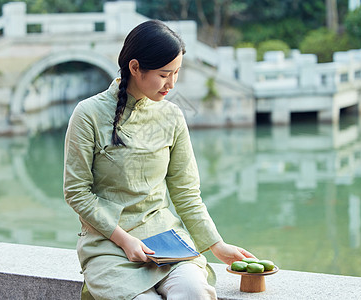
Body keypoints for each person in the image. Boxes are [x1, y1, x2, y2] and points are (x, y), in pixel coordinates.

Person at [63, 19, 256, 300]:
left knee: (195, 292)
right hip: (108, 244)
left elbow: (186, 192)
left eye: (177, 73)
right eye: (165, 74)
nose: (172, 83)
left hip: (165, 239)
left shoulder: (172, 116)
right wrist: (124, 239)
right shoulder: (88, 114)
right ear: (135, 67)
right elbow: (76, 192)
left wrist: (216, 244)